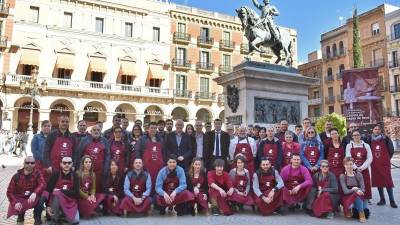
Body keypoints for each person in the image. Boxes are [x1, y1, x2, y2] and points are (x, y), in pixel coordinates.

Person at [6, 156, 46, 225]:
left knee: (42, 197)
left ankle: (37, 219)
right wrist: (15, 202)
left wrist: (34, 193)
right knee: (19, 204)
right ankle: (20, 218)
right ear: (23, 163)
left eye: (32, 163)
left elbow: (42, 184)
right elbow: (9, 192)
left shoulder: (38, 173)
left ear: (35, 164)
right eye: (27, 163)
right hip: (20, 197)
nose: (30, 164)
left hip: (33, 196)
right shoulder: (16, 176)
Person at [365, 124, 397, 208]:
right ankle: (382, 199)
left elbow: (391, 150)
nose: (376, 130)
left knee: (388, 182)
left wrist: (386, 159)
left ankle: (392, 201)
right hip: (375, 164)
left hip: (384, 164)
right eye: (375, 129)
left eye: (378, 129)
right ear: (373, 130)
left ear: (380, 130)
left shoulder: (385, 138)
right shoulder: (369, 139)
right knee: (379, 182)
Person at [46, 156, 80, 225]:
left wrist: (61, 191)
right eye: (64, 163)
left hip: (69, 202)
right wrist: (47, 206)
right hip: (56, 203)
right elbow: (48, 190)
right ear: (61, 164)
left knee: (76, 220)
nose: (67, 165)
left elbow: (76, 193)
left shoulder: (75, 175)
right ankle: (56, 218)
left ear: (72, 164)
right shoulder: (55, 174)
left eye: (69, 163)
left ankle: (60, 217)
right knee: (56, 194)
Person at [75, 125, 110, 191]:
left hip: (100, 171)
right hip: (86, 171)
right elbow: (78, 154)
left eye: (98, 130)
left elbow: (107, 157)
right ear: (90, 131)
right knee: (85, 188)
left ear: (100, 131)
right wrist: (78, 168)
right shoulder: (84, 140)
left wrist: (105, 170)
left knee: (98, 189)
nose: (96, 131)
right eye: (94, 130)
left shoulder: (105, 141)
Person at [135, 122, 166, 192]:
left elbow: (163, 152)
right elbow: (137, 151)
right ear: (148, 129)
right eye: (151, 128)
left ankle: (156, 197)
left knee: (158, 182)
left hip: (158, 167)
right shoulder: (142, 139)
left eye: (155, 128)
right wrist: (139, 163)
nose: (153, 130)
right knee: (147, 182)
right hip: (146, 166)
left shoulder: (160, 139)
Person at [345, 130, 373, 202]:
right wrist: (355, 168)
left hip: (364, 169)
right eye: (354, 135)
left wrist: (362, 167)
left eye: (357, 135)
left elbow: (370, 158)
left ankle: (366, 202)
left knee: (365, 184)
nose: (356, 136)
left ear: (360, 136)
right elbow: (348, 157)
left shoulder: (366, 145)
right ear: (352, 137)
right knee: (355, 185)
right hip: (353, 169)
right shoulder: (349, 146)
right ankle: (356, 201)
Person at [339, 157, 368, 223]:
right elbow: (345, 191)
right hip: (347, 196)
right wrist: (354, 189)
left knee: (357, 195)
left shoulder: (358, 174)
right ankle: (348, 208)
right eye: (347, 164)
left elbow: (363, 188)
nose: (349, 166)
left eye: (351, 164)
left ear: (353, 164)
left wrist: (359, 191)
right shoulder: (342, 176)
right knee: (355, 194)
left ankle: (361, 213)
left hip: (359, 194)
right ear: (344, 165)